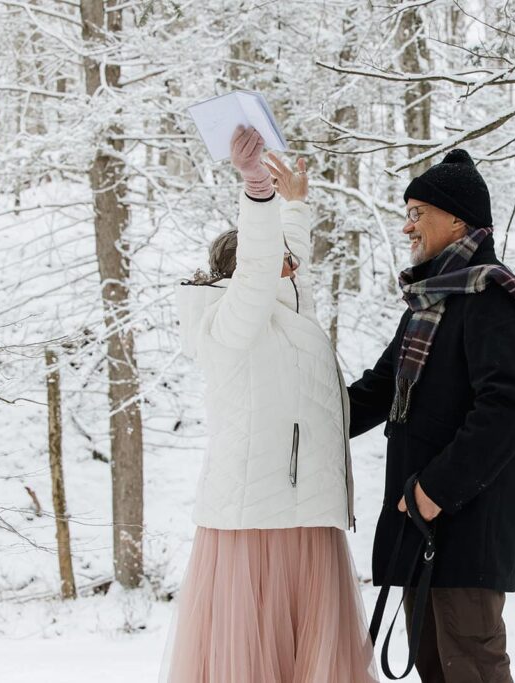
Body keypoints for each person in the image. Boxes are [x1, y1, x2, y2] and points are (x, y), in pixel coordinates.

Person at [161, 126, 378, 682]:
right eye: (277, 258)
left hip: (301, 516)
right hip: (253, 523)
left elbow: (286, 262)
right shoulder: (228, 322)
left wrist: (296, 204)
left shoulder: (286, 313)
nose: (291, 265)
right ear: (246, 270)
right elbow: (261, 274)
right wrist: (257, 190)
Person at [348, 149, 515, 682]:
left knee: (472, 667)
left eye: (417, 212)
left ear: (458, 219)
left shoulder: (493, 297)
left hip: (465, 523)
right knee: (436, 667)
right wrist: (300, 420)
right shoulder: (431, 302)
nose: (406, 226)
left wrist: (433, 492)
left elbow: (506, 410)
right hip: (424, 526)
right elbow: (376, 391)